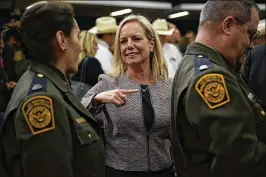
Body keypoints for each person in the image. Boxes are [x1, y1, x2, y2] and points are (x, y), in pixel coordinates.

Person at [0, 2, 104, 177]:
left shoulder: (49, 84)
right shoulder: (43, 98)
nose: (80, 47)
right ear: (62, 39)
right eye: (77, 36)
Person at [171, 1, 266, 177]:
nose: (251, 45)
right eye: (250, 33)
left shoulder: (193, 63)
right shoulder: (212, 78)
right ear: (228, 25)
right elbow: (241, 161)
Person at [82, 14, 174, 177]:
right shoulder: (109, 83)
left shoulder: (169, 86)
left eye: (136, 39)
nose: (129, 45)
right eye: (123, 41)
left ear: (151, 44)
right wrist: (97, 99)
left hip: (163, 170)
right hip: (120, 171)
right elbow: (78, 109)